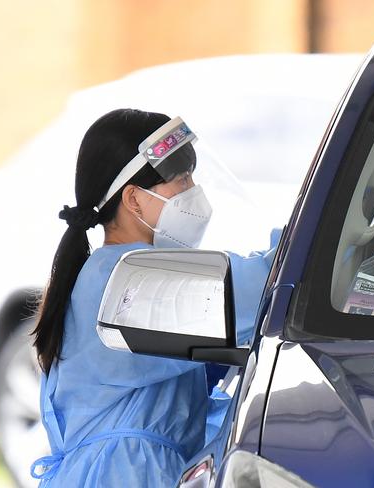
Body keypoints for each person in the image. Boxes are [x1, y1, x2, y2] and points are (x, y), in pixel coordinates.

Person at [30, 109, 274, 486]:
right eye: (180, 179)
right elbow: (257, 288)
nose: (193, 191)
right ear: (134, 200)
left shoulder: (112, 272)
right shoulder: (127, 280)